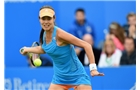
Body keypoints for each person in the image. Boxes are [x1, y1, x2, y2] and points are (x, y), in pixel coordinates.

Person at [20, 5, 104, 90]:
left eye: (48, 18)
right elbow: (44, 49)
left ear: (54, 18)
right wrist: (27, 49)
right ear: (39, 19)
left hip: (78, 77)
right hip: (59, 79)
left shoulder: (60, 34)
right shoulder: (44, 34)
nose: (46, 22)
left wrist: (93, 69)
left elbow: (87, 45)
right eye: (43, 19)